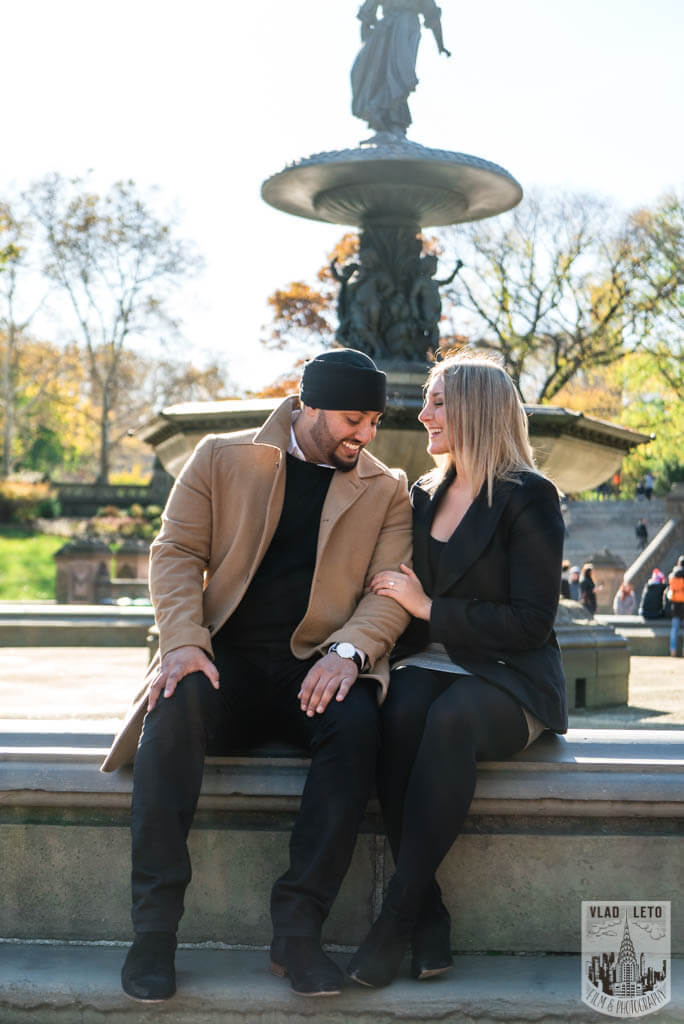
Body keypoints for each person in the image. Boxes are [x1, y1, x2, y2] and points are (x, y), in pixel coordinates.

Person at [101, 349, 413, 1001]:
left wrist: (349, 653)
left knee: (359, 725)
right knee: (174, 702)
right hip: (224, 665)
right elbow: (177, 552)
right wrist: (184, 642)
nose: (366, 435)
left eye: (375, 421)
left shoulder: (386, 488)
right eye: (354, 419)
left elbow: (388, 592)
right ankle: (154, 934)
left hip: (316, 670)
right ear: (310, 407)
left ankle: (297, 934)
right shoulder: (220, 455)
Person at [344, 352, 568, 988]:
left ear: (476, 407)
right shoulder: (422, 492)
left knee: (449, 719)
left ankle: (394, 920)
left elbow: (531, 622)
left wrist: (429, 606)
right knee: (397, 710)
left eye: (438, 401)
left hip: (510, 677)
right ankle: (430, 913)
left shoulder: (530, 496)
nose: (423, 414)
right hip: (433, 663)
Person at [351, 0, 450, 142]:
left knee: (400, 75)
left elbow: (432, 15)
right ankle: (382, 122)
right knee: (369, 73)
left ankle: (395, 122)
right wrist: (367, 43)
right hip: (384, 29)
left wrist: (441, 45)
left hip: (406, 28)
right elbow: (367, 13)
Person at [667, 555, 684, 656]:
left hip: (675, 604)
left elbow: (671, 588)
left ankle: (673, 650)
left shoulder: (673, 574)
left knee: (674, 629)